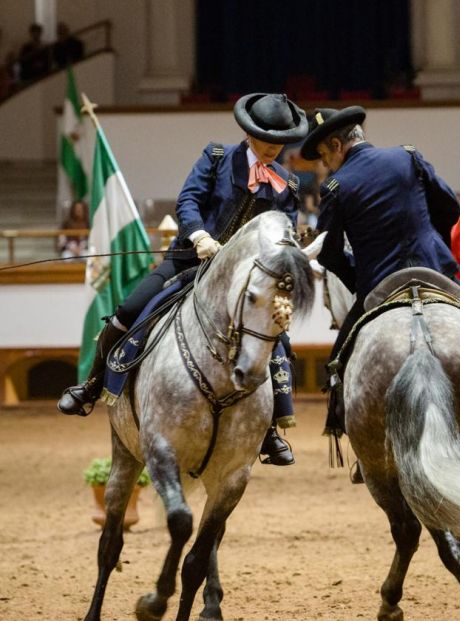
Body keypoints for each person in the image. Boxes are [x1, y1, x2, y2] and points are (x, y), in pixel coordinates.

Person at [58, 93, 309, 465]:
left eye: (280, 143)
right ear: (249, 133)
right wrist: (199, 235)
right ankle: (92, 386)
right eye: (267, 141)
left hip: (242, 279)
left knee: (276, 338)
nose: (274, 148)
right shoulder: (217, 157)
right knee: (129, 309)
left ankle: (270, 429)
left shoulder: (287, 185)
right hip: (189, 259)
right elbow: (188, 200)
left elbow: (282, 228)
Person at [299, 105, 460, 448]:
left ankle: (345, 425)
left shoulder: (336, 186)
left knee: (339, 360)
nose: (324, 164)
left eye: (324, 156)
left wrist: (359, 280)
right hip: (432, 268)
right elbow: (450, 208)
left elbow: (327, 253)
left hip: (378, 281)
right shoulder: (408, 157)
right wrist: (436, 252)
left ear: (336, 145)